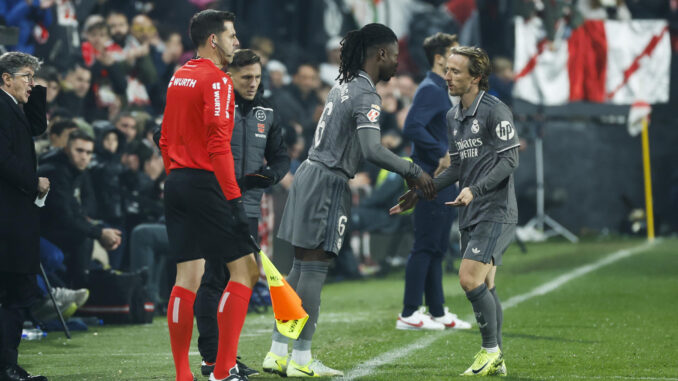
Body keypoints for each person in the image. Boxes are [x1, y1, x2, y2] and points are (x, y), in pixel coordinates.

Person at [262, 23, 435, 378]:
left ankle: (278, 352)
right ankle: (302, 359)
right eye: (395, 57)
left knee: (297, 268)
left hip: (311, 172)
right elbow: (372, 150)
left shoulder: (343, 84)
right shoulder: (366, 94)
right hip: (328, 180)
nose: (397, 65)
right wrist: (412, 170)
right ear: (381, 54)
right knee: (312, 269)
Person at [391, 46, 519, 376]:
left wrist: (475, 190)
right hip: (472, 210)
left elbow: (510, 160)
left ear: (476, 77)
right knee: (486, 285)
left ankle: (489, 351)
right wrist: (419, 191)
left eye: (455, 72)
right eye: (446, 70)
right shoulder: (452, 117)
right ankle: (497, 356)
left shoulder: (495, 110)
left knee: (467, 279)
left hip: (496, 208)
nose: (447, 77)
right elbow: (456, 167)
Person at [158, 10, 259, 381]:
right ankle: (222, 369)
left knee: (187, 276)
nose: (237, 41)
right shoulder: (217, 81)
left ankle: (183, 374)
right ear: (213, 40)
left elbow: (164, 138)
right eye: (231, 36)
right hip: (204, 183)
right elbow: (218, 147)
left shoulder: (179, 75)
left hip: (177, 182)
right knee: (246, 271)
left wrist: (176, 176)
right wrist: (234, 202)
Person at [194, 48, 290, 379]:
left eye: (257, 77)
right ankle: (213, 359)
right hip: (214, 204)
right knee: (217, 278)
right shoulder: (214, 102)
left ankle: (225, 358)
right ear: (229, 76)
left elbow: (281, 157)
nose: (253, 83)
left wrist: (269, 176)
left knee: (237, 279)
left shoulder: (268, 112)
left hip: (247, 207)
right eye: (246, 77)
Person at [398, 32, 471, 331]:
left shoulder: (441, 89)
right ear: (439, 58)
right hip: (430, 175)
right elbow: (411, 126)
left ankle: (438, 311)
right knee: (426, 245)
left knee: (438, 245)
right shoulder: (430, 89)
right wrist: (440, 153)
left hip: (442, 176)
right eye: (453, 53)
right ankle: (409, 312)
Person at [0, 51, 49, 381]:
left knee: (13, 295)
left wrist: (35, 88)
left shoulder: (11, 106)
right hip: (8, 217)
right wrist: (35, 183)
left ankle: (8, 365)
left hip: (12, 216)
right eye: (27, 77)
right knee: (14, 295)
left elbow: (36, 127)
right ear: (6, 79)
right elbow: (2, 158)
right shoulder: (1, 107)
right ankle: (7, 367)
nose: (32, 83)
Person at [38, 130, 122, 287]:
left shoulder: (79, 171)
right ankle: (78, 288)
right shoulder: (55, 170)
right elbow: (63, 215)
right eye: (80, 150)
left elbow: (90, 206)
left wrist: (95, 227)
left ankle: (84, 287)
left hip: (61, 226)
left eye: (88, 152)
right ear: (67, 149)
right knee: (85, 236)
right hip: (40, 229)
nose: (84, 156)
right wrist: (98, 233)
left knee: (100, 230)